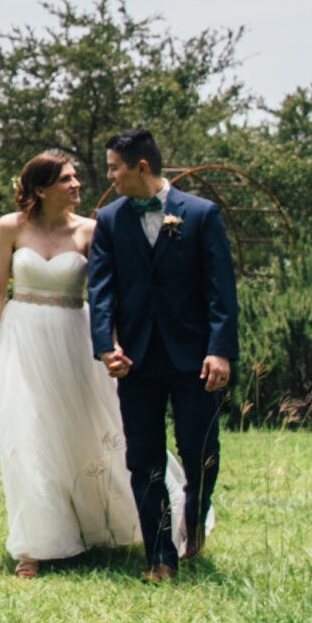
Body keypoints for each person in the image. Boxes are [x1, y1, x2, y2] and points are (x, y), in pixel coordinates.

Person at [0, 150, 164, 577]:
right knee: (29, 433)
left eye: (76, 177)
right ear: (41, 189)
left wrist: (113, 344)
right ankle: (34, 545)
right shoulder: (9, 228)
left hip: (72, 337)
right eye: (66, 179)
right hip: (21, 337)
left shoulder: (92, 231)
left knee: (89, 430)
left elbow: (106, 296)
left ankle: (109, 521)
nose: (77, 184)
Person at [85, 127, 238, 583]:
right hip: (137, 361)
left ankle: (195, 519)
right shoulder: (110, 220)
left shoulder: (201, 214)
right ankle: (160, 556)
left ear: (141, 168)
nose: (109, 176)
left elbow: (220, 291)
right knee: (143, 458)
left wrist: (220, 352)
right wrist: (105, 346)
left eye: (114, 167)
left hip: (194, 360)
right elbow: (101, 289)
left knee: (200, 453)